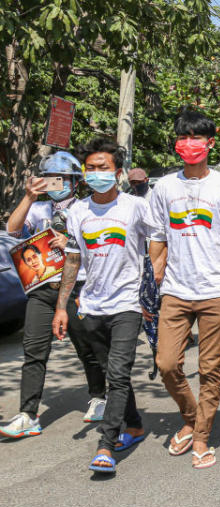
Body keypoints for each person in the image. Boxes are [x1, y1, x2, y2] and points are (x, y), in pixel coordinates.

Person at [145, 109, 220, 469]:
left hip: (215, 290)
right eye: (184, 137)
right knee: (167, 362)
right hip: (175, 290)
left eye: (197, 137)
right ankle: (190, 416)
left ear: (210, 143)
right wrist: (152, 285)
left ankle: (201, 435)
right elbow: (157, 238)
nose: (190, 144)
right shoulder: (164, 188)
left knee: (210, 368)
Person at [52, 138, 150, 473]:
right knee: (113, 374)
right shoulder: (76, 212)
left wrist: (157, 293)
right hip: (91, 305)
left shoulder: (136, 208)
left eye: (103, 168)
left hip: (128, 304)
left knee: (118, 374)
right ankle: (134, 425)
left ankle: (107, 445)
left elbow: (159, 246)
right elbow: (72, 261)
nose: (96, 174)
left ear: (118, 172)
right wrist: (62, 307)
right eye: (90, 168)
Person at [1, 151, 107, 440]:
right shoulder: (38, 210)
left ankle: (99, 396)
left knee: (87, 347)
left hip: (76, 288)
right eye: (49, 178)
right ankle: (27, 414)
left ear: (75, 181)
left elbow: (100, 247)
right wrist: (28, 197)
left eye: (61, 179)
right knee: (33, 351)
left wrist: (71, 242)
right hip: (42, 291)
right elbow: (12, 230)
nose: (54, 183)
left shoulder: (87, 208)